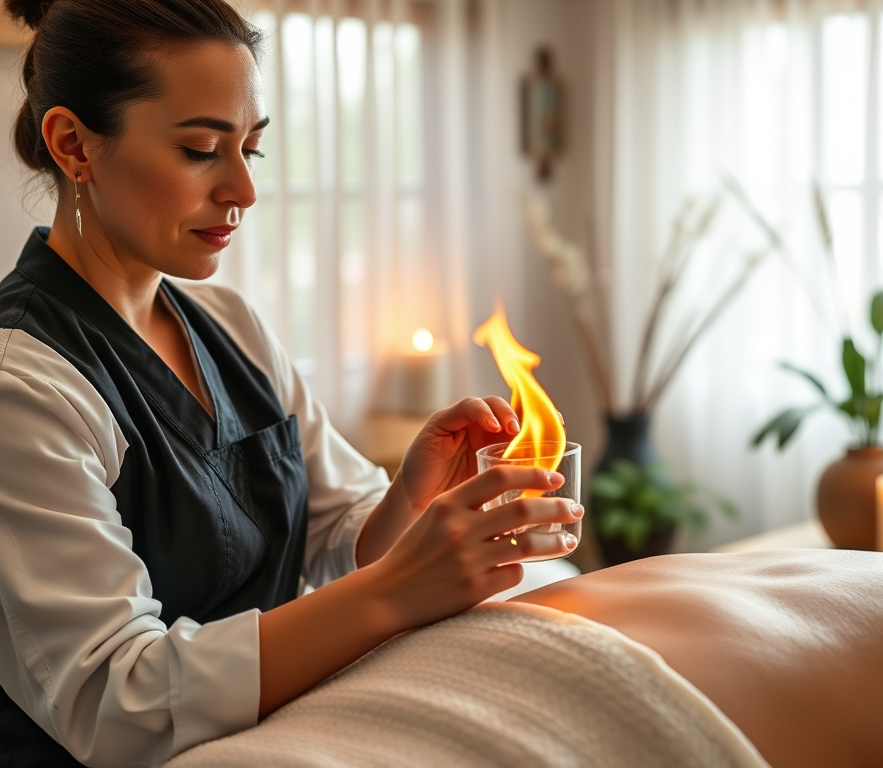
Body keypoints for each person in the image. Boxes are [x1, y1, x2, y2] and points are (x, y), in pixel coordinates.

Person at [0, 1, 580, 765]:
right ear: (73, 144)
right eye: (202, 149)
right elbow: (117, 701)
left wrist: (412, 495)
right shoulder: (25, 384)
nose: (242, 189)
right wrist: (395, 591)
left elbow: (340, 540)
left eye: (253, 150)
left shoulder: (233, 326)